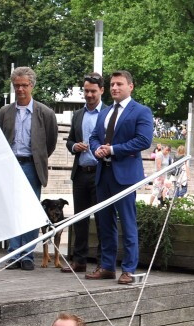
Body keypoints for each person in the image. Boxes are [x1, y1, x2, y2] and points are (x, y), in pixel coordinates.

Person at [87, 70, 153, 285]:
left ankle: (129, 270)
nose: (115, 88)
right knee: (105, 223)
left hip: (125, 176)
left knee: (127, 222)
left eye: (119, 84)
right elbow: (94, 137)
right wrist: (96, 149)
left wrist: (113, 150)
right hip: (103, 173)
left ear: (130, 87)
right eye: (112, 84)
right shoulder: (105, 112)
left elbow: (143, 140)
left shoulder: (141, 111)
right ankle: (107, 267)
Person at [0, 66, 58, 271]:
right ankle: (14, 253)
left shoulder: (45, 113)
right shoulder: (5, 112)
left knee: (31, 210)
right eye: (17, 86)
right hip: (11, 165)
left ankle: (28, 255)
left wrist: (38, 158)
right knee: (12, 209)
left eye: (24, 85)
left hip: (32, 165)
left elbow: (50, 142)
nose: (20, 89)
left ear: (32, 85)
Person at [63, 73, 106, 274]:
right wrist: (74, 147)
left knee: (102, 219)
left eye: (93, 91)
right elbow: (69, 141)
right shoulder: (78, 115)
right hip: (80, 173)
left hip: (101, 173)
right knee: (79, 219)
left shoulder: (108, 113)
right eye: (86, 91)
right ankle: (79, 260)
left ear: (101, 91)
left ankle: (102, 262)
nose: (89, 95)